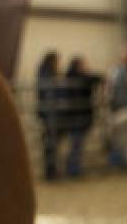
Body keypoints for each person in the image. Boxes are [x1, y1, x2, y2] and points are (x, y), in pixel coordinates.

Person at [62, 56, 102, 178]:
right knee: (76, 143)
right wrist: (87, 72)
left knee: (76, 144)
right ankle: (73, 170)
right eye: (83, 64)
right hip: (78, 116)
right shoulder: (78, 78)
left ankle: (73, 168)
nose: (86, 66)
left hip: (76, 116)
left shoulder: (70, 77)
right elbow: (97, 78)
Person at [36, 50, 65, 180]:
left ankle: (52, 169)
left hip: (48, 111)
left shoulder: (43, 72)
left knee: (51, 142)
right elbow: (50, 91)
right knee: (51, 142)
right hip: (50, 112)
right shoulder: (48, 74)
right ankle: (51, 170)